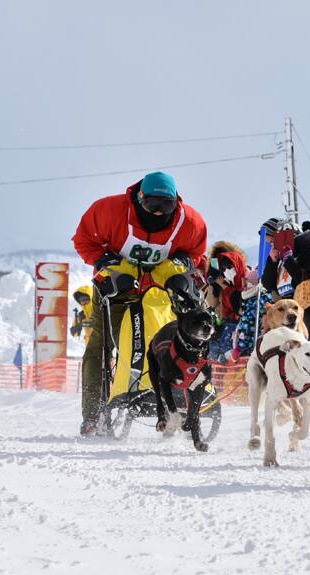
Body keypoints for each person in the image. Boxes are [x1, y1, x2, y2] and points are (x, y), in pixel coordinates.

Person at [72, 171, 207, 436]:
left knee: (172, 339)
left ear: (176, 203)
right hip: (116, 287)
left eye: (165, 206)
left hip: (160, 290)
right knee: (101, 344)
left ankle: (178, 393)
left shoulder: (189, 222)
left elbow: (196, 253)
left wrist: (180, 266)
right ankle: (93, 414)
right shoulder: (109, 211)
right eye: (152, 204)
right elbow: (84, 240)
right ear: (139, 198)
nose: (157, 212)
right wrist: (106, 263)